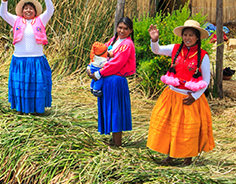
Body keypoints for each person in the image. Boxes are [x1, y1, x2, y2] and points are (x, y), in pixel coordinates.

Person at [147, 19, 214, 165]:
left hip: (189, 98)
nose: (187, 38)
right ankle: (170, 156)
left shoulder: (203, 56)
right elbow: (157, 50)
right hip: (171, 95)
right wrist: (155, 40)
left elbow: (206, 81)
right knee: (169, 125)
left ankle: (187, 158)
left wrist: (195, 97)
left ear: (197, 37)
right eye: (185, 35)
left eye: (191, 35)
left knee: (187, 130)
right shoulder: (175, 48)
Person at [0, 0, 54, 115]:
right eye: (26, 8)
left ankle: (36, 109)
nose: (28, 10)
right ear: (22, 11)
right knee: (21, 85)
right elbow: (3, 14)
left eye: (31, 8)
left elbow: (50, 10)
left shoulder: (40, 20)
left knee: (37, 86)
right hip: (20, 60)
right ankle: (22, 109)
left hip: (36, 60)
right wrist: (4, 1)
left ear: (35, 11)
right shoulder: (16, 20)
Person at [91, 17, 136, 148]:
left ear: (130, 30)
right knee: (109, 108)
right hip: (108, 79)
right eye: (120, 27)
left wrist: (98, 73)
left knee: (115, 109)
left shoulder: (127, 44)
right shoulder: (114, 40)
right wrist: (92, 66)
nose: (122, 30)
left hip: (116, 80)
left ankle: (118, 143)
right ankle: (113, 140)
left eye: (125, 28)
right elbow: (102, 53)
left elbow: (117, 63)